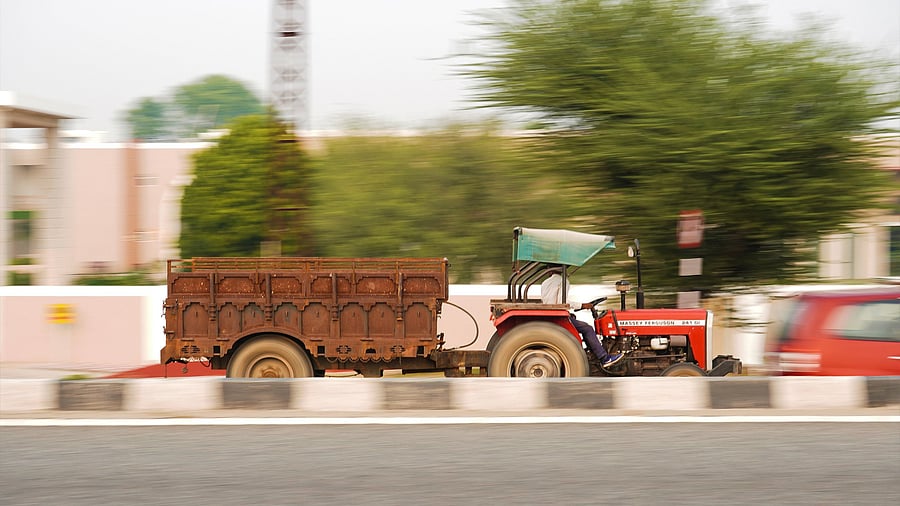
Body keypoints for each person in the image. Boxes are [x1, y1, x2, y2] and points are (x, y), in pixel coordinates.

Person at [541, 270, 624, 367]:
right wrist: (582, 305)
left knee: (582, 326)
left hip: (552, 314)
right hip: (558, 316)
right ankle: (603, 358)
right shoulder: (562, 281)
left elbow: (551, 301)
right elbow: (561, 302)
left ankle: (594, 353)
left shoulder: (545, 283)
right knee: (587, 328)